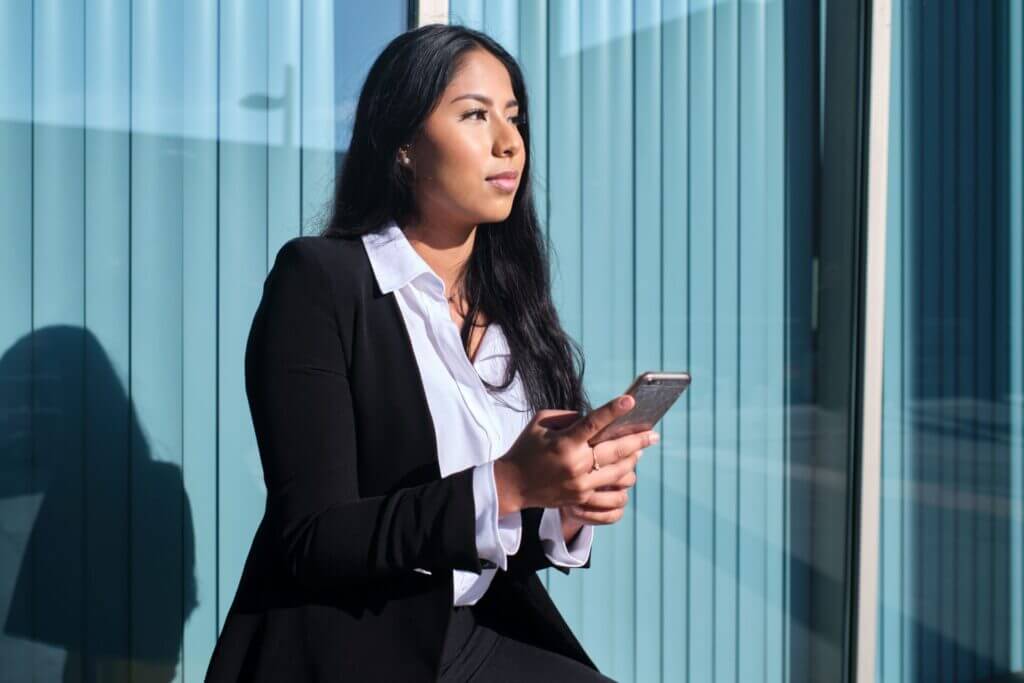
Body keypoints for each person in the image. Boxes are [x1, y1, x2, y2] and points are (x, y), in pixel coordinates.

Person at [205, 23, 657, 682]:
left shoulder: (508, 312)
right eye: (475, 115)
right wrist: (507, 483)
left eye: (514, 118)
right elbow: (314, 538)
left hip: (475, 635)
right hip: (349, 648)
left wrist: (564, 500)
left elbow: (484, 529)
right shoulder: (320, 282)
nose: (509, 142)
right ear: (404, 146)